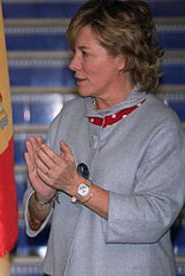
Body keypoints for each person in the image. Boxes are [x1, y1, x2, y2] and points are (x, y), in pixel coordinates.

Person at [23, 0, 185, 275]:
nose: (73, 64)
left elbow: (156, 216)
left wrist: (77, 186)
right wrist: (42, 198)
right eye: (74, 52)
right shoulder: (68, 115)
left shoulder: (161, 126)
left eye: (85, 53)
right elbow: (36, 220)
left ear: (121, 58)